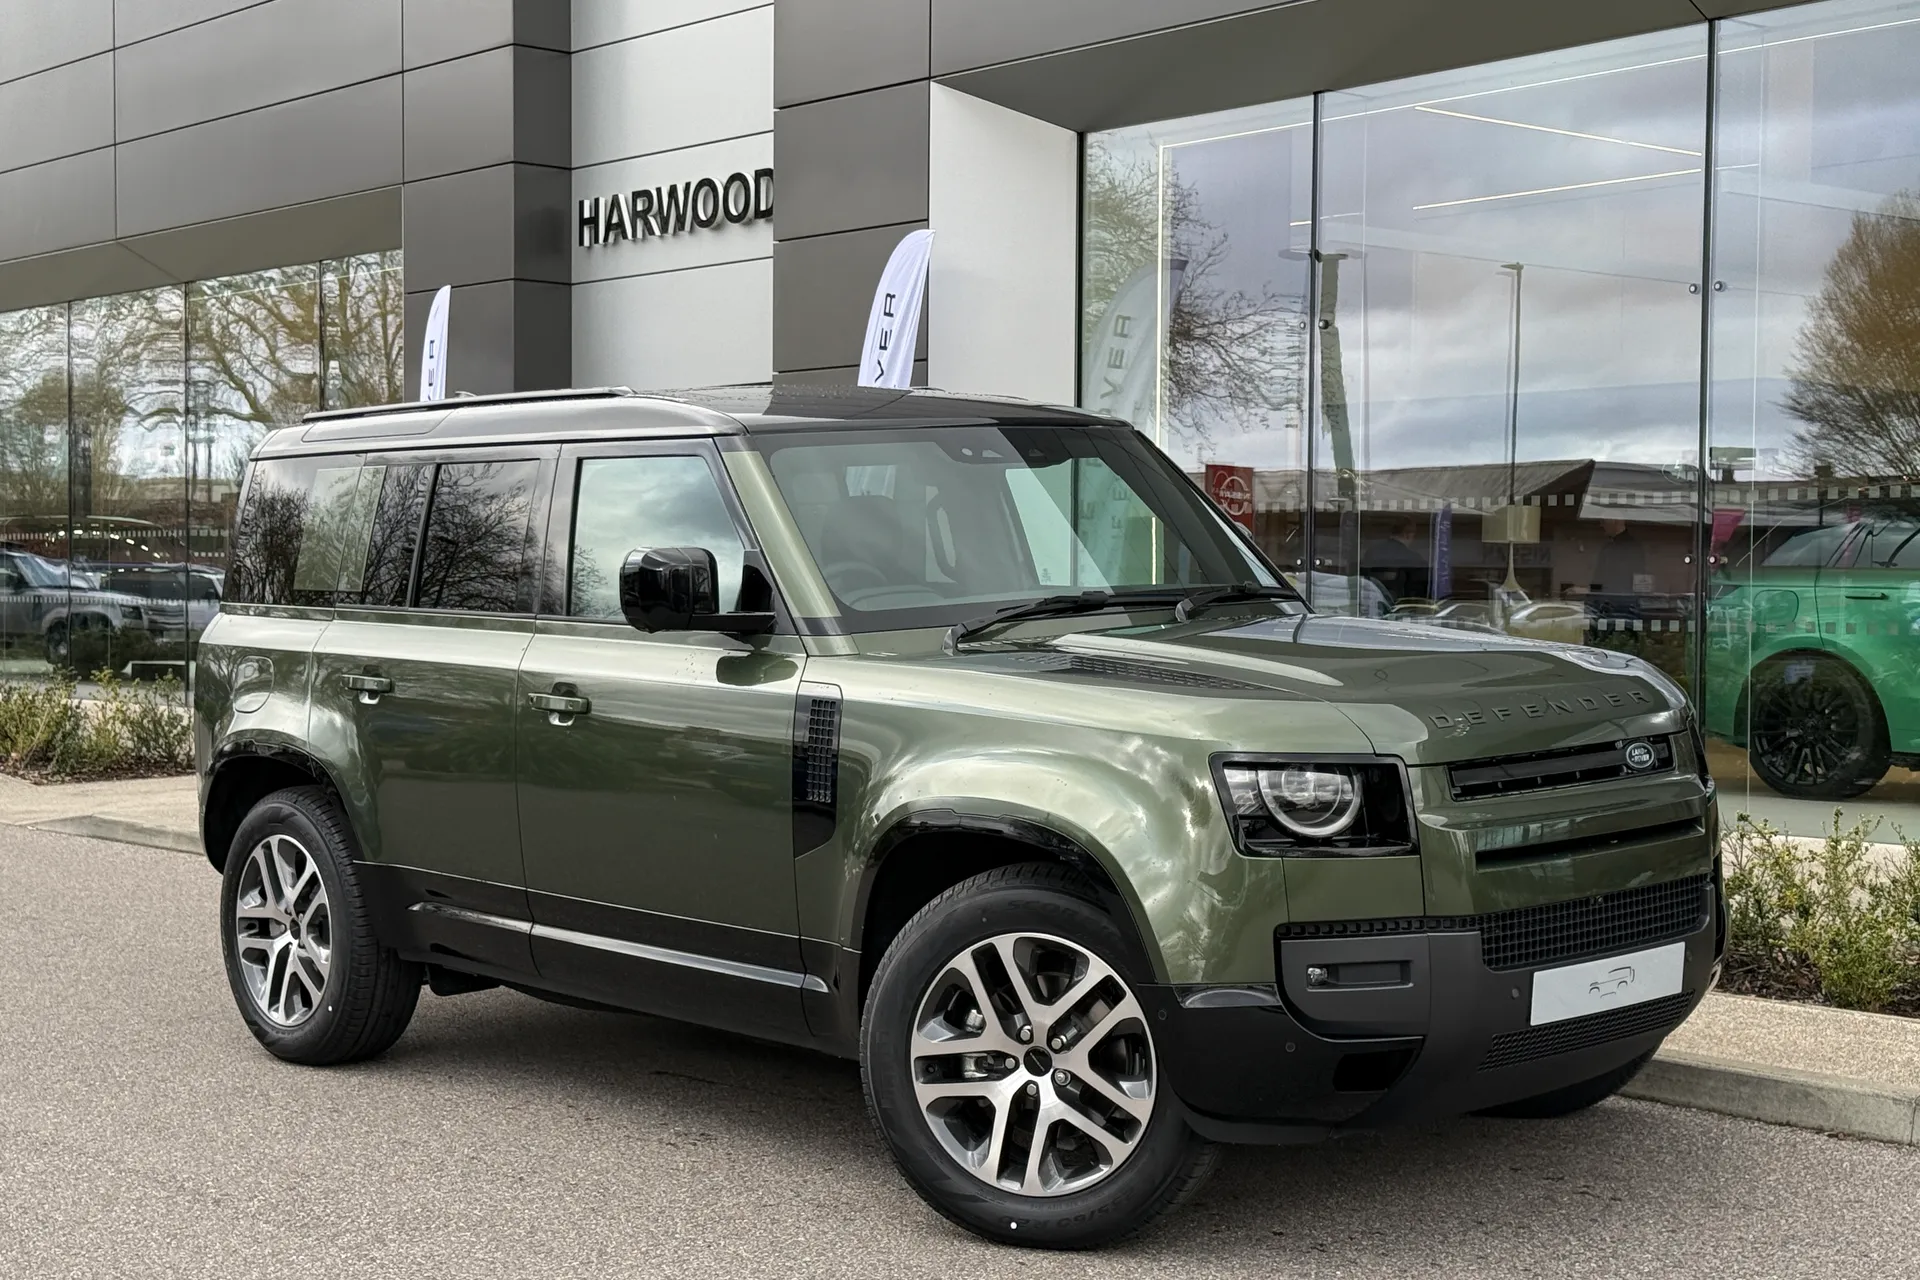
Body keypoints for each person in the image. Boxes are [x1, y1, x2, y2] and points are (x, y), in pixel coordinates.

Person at [1363, 517, 1429, 603]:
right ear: (1407, 535)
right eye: (1414, 535)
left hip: (1372, 604)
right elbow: (1421, 590)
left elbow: (1363, 580)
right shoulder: (1414, 559)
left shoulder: (1371, 552)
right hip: (1400, 607)